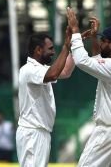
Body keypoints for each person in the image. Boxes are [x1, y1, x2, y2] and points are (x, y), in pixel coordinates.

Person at [67, 7, 111, 166]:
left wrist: (75, 30)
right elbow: (98, 59)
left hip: (109, 132)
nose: (100, 43)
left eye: (103, 41)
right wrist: (93, 37)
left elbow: (82, 61)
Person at [16, 28, 75, 167]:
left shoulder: (41, 69)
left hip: (40, 133)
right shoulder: (28, 70)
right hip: (32, 133)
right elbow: (54, 74)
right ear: (38, 50)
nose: (53, 52)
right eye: (50, 48)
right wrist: (66, 47)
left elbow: (65, 71)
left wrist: (74, 46)